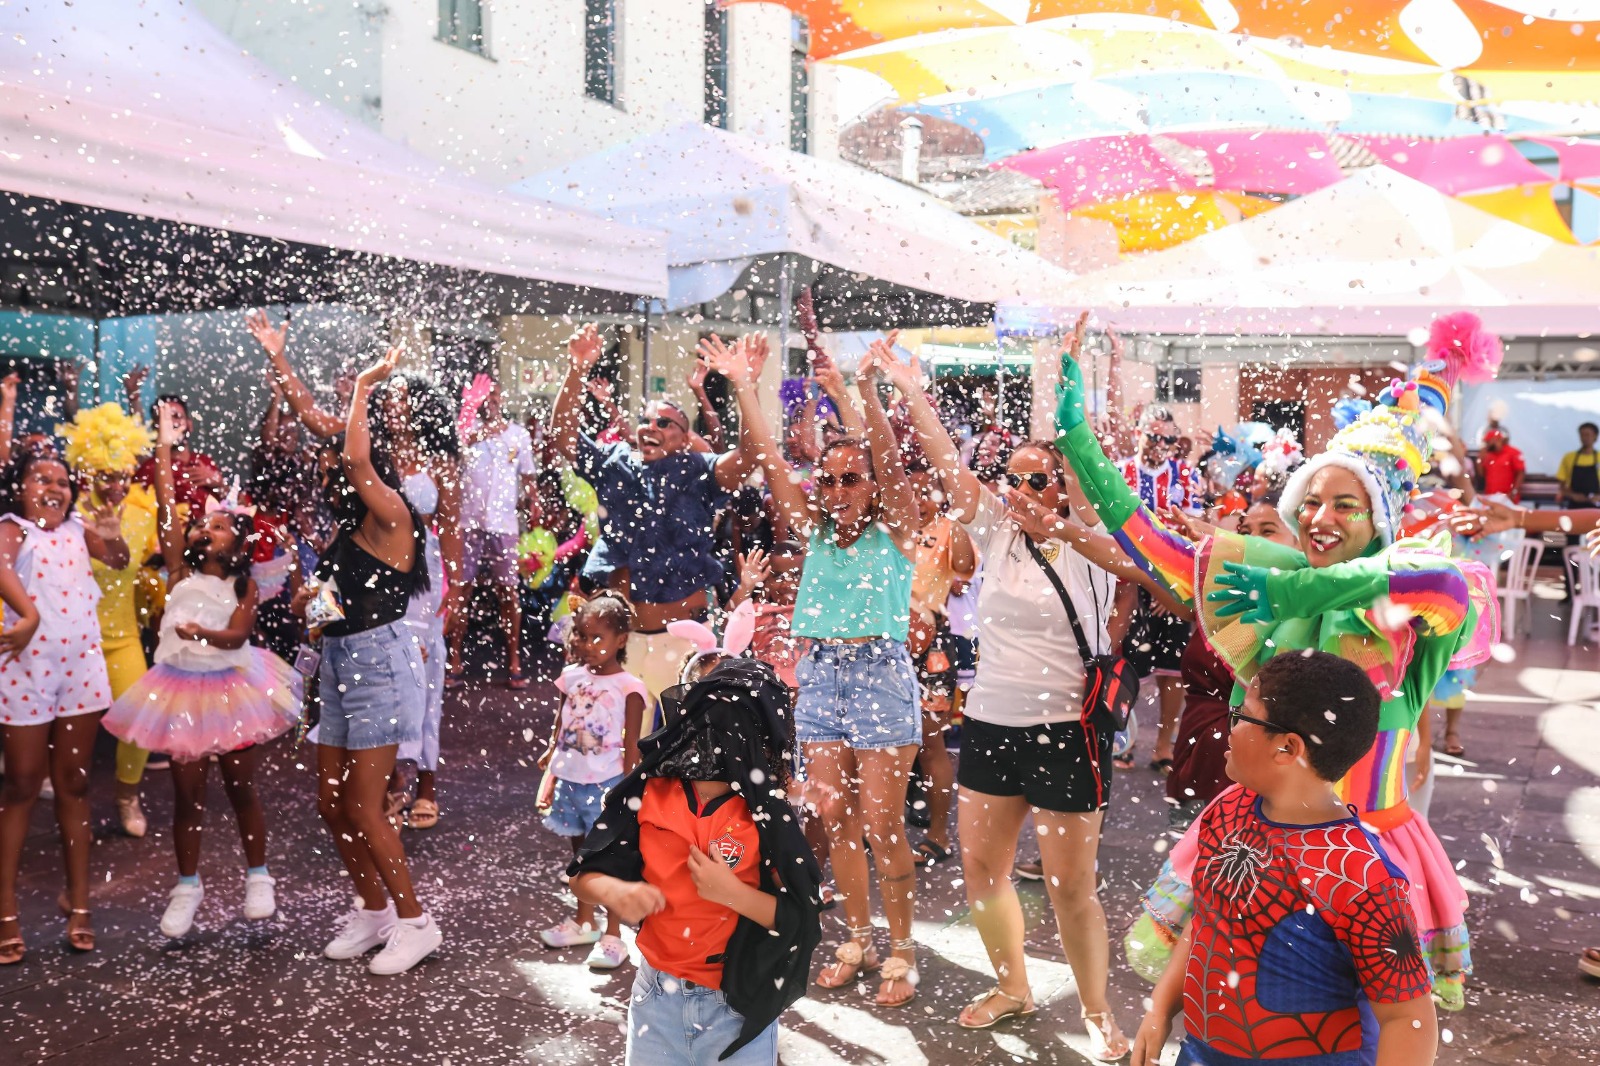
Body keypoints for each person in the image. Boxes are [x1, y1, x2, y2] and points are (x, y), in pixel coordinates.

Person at [1057, 310, 1501, 1011]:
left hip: (1374, 856)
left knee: (1361, 1021)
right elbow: (1150, 543)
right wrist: (1079, 442)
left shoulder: (1415, 596)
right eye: (1312, 501)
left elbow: (1437, 586)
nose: (1321, 518)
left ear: (1380, 517)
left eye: (1345, 504)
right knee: (1244, 1008)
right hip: (1266, 843)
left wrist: (1292, 584)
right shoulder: (1275, 583)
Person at [873, 349, 1152, 1056]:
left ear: (1065, 488)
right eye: (1015, 477)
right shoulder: (995, 530)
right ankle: (1013, 984)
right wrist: (910, 391)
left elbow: (1136, 563)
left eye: (1041, 479)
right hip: (992, 725)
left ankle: (1096, 1012)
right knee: (982, 871)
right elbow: (945, 464)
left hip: (1066, 731)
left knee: (1069, 889)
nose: (1025, 489)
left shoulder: (1086, 538)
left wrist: (1076, 411)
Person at [708, 332, 924, 1009]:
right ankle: (856, 938)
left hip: (882, 674)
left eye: (850, 479)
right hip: (823, 676)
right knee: (836, 822)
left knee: (886, 825)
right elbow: (772, 461)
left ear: (873, 484)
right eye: (828, 479)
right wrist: (746, 384)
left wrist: (865, 390)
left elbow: (888, 461)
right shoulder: (815, 529)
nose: (836, 489)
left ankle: (903, 949)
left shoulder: (898, 525)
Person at [1129, 652, 1438, 1066]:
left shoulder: (1361, 874)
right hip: (1204, 1051)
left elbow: (1408, 1017)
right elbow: (1207, 919)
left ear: (1287, 748)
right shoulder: (1227, 808)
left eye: (1242, 715)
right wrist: (1161, 1008)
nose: (1229, 725)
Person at [102, 402, 300, 938]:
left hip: (234, 690)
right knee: (188, 797)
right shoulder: (176, 571)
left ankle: (258, 876)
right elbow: (167, 501)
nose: (201, 528)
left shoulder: (244, 586)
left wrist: (202, 635)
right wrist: (163, 445)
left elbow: (236, 636)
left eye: (217, 525)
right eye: (200, 523)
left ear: (237, 543)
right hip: (180, 692)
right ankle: (186, 886)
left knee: (241, 789)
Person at [570, 657, 823, 1066]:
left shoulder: (764, 816)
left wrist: (734, 894)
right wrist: (613, 889)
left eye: (731, 725)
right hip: (655, 998)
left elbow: (801, 922)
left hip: (734, 1004)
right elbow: (583, 875)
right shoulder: (651, 793)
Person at [295, 346, 441, 976]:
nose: (330, 474)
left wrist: (363, 386)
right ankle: (375, 911)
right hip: (336, 663)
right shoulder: (342, 537)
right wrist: (312, 603)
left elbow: (357, 457)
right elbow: (327, 618)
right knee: (332, 804)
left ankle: (416, 922)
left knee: (363, 804)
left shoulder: (395, 518)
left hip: (380, 665)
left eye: (337, 469)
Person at [551, 325, 756, 705]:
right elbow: (563, 436)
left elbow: (748, 456)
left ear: (683, 436)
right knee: (612, 753)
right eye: (647, 420)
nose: (651, 427)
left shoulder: (699, 469)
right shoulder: (616, 463)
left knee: (680, 754)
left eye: (665, 423)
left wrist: (746, 386)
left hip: (681, 642)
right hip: (615, 647)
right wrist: (576, 369)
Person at [0, 443, 125, 961]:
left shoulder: (78, 531)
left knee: (74, 784)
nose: (53, 488)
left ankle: (79, 905)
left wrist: (113, 530)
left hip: (81, 670)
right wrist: (27, 615)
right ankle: (5, 912)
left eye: (61, 481)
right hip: (26, 669)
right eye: (41, 479)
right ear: (20, 489)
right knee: (23, 785)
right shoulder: (12, 527)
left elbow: (117, 560)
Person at [57, 403, 159, 838]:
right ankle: (66, 797)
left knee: (140, 718)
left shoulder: (141, 513)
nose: (115, 485)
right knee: (65, 730)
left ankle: (126, 794)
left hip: (122, 637)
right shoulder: (68, 514)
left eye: (121, 475)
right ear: (87, 472)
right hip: (74, 638)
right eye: (105, 475)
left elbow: (148, 567)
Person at [538, 591, 646, 971]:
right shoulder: (571, 678)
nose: (587, 644)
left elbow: (633, 744)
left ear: (621, 640)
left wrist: (627, 788)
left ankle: (613, 935)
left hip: (606, 784)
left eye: (597, 637)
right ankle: (584, 920)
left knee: (610, 858)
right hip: (571, 780)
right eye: (582, 635)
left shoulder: (630, 687)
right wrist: (551, 763)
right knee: (579, 856)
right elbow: (561, 723)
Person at [376, 372, 465, 830]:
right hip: (378, 575)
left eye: (402, 398)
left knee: (425, 680)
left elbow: (450, 527)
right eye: (387, 399)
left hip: (425, 581)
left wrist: (459, 591)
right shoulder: (371, 456)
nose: (394, 406)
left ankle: (426, 781)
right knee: (385, 679)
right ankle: (393, 781)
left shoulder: (440, 461)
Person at [451, 381, 536, 689]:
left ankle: (513, 661)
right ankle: (455, 659)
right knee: (461, 593)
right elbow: (454, 454)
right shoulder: (467, 431)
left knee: (508, 595)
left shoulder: (518, 435)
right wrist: (470, 421)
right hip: (468, 524)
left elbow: (529, 480)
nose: (492, 400)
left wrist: (534, 511)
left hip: (505, 527)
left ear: (502, 399)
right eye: (485, 396)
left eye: (496, 394)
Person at [1557, 421, 1599, 509]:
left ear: (1595, 436)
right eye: (1582, 435)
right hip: (1574, 506)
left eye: (1588, 435)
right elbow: (1562, 486)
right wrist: (1573, 495)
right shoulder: (1569, 457)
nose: (1585, 438)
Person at [1476, 427, 1524, 502]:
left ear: (1496, 440)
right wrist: (1479, 460)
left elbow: (1520, 473)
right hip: (1490, 496)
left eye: (1488, 442)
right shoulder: (1488, 455)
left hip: (1507, 497)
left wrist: (1514, 491)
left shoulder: (1513, 452)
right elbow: (1482, 474)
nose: (1487, 445)